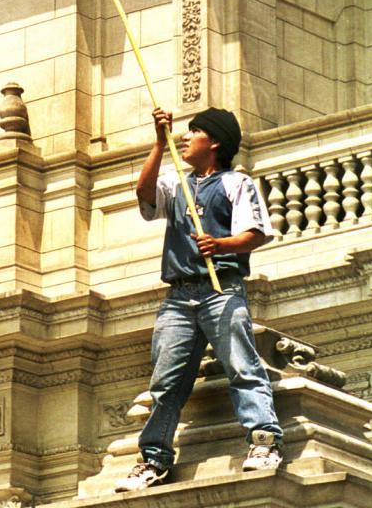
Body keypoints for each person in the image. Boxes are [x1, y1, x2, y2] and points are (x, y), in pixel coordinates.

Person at [115, 106, 282, 492]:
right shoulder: (177, 184)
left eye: (194, 132)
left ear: (216, 141)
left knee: (243, 367)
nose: (185, 139)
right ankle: (153, 459)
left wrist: (218, 243)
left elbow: (254, 234)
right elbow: (144, 192)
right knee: (165, 381)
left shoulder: (236, 183)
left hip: (221, 289)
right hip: (179, 295)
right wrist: (159, 143)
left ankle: (263, 442)